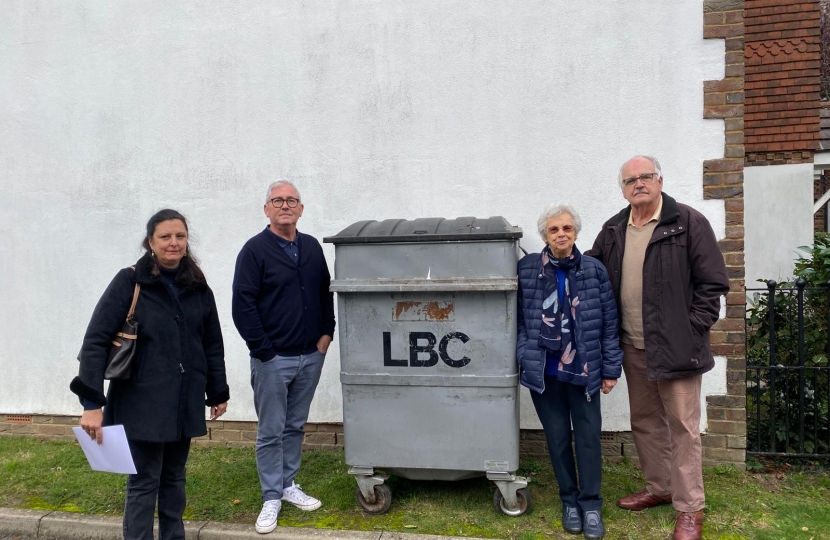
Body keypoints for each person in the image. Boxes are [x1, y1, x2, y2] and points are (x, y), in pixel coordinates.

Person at [586, 156, 730, 540]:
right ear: (623, 188)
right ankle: (659, 489)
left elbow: (712, 284)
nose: (638, 184)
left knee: (684, 428)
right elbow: (590, 271)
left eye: (645, 176)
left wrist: (691, 328)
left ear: (660, 180)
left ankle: (689, 509)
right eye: (630, 180)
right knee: (645, 423)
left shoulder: (688, 222)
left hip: (677, 348)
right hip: (632, 345)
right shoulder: (615, 228)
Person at [70, 209, 230, 540]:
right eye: (165, 237)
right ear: (150, 242)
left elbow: (211, 342)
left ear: (187, 241)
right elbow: (96, 341)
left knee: (174, 479)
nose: (174, 243)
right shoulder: (130, 281)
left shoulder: (198, 286)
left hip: (184, 400)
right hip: (140, 401)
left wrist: (217, 391)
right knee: (144, 482)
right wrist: (91, 403)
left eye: (180, 236)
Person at [232, 180, 335, 534]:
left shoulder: (310, 248)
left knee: (294, 425)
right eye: (278, 200)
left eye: (292, 200)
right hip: (273, 360)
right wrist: (265, 351)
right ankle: (271, 495)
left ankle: (289, 484)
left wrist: (327, 334)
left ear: (301, 209)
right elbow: (242, 305)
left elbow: (325, 292)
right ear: (267, 209)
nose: (285, 205)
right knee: (271, 430)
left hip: (311, 356)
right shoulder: (255, 251)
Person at [517, 203, 622, 540]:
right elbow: (516, 319)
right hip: (544, 373)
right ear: (545, 235)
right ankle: (568, 501)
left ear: (576, 232)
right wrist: (524, 351)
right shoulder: (528, 269)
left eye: (566, 228)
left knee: (589, 439)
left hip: (584, 371)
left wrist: (610, 369)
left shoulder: (593, 270)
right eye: (553, 229)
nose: (561, 234)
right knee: (558, 438)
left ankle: (591, 504)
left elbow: (609, 324)